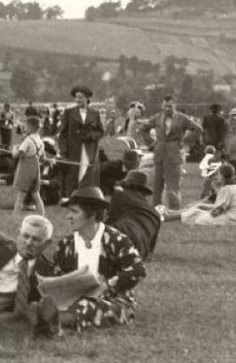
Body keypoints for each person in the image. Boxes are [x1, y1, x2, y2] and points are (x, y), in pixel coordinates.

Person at [32, 187, 146, 337]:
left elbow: (138, 270)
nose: (68, 216)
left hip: (112, 300)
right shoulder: (66, 244)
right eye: (69, 211)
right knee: (54, 302)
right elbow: (59, 275)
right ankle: (48, 319)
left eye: (74, 212)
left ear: (91, 214)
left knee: (90, 306)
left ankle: (51, 322)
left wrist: (106, 285)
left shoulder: (116, 239)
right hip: (74, 297)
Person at [139, 95, 203, 211]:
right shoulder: (157, 117)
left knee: (173, 185)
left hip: (174, 154)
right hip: (159, 153)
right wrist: (151, 143)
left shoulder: (182, 118)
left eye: (170, 106)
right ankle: (156, 210)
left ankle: (174, 210)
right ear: (162, 105)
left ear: (175, 105)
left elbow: (198, 129)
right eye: (165, 106)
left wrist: (184, 142)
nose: (167, 108)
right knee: (157, 185)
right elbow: (143, 128)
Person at [57, 86, 105, 197]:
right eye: (76, 97)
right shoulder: (69, 112)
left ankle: (86, 196)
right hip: (73, 149)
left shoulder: (94, 113)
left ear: (87, 98)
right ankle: (70, 197)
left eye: (81, 97)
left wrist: (91, 136)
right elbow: (62, 133)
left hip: (89, 149)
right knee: (73, 172)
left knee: (88, 173)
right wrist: (63, 150)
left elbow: (100, 131)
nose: (78, 100)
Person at [167, 164, 236, 226]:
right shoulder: (233, 187)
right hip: (235, 217)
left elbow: (219, 209)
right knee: (197, 211)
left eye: (217, 174)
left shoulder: (227, 189)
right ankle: (169, 216)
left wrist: (204, 209)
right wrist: (202, 206)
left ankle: (168, 218)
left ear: (222, 175)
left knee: (198, 216)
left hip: (232, 219)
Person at [106, 170, 162, 260]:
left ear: (126, 186)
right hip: (140, 251)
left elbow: (109, 220)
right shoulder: (155, 213)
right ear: (144, 191)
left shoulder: (120, 195)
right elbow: (151, 248)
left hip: (122, 235)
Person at [13, 116, 46, 217]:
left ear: (31, 127)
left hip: (26, 167)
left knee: (21, 195)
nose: (24, 128)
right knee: (36, 194)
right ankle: (42, 216)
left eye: (26, 126)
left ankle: (15, 217)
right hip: (36, 167)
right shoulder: (40, 141)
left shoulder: (28, 140)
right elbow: (43, 157)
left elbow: (18, 155)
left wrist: (14, 149)